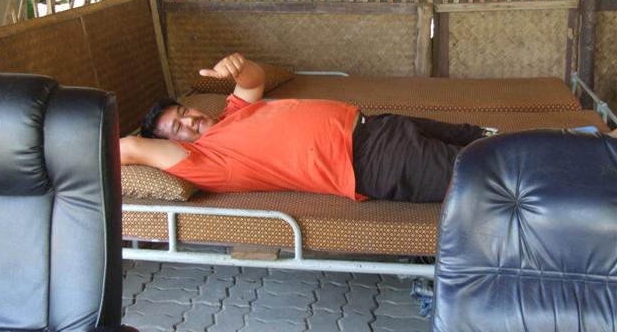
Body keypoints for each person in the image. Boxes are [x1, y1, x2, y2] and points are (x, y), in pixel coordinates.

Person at [121, 53, 617, 203]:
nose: (189, 121)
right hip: (371, 162)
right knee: (487, 174)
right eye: (177, 128)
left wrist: (237, 64)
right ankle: (596, 176)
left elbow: (251, 79)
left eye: (183, 112)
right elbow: (129, 148)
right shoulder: (205, 160)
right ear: (171, 147)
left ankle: (585, 143)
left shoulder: (232, 113)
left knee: (481, 137)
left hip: (378, 126)